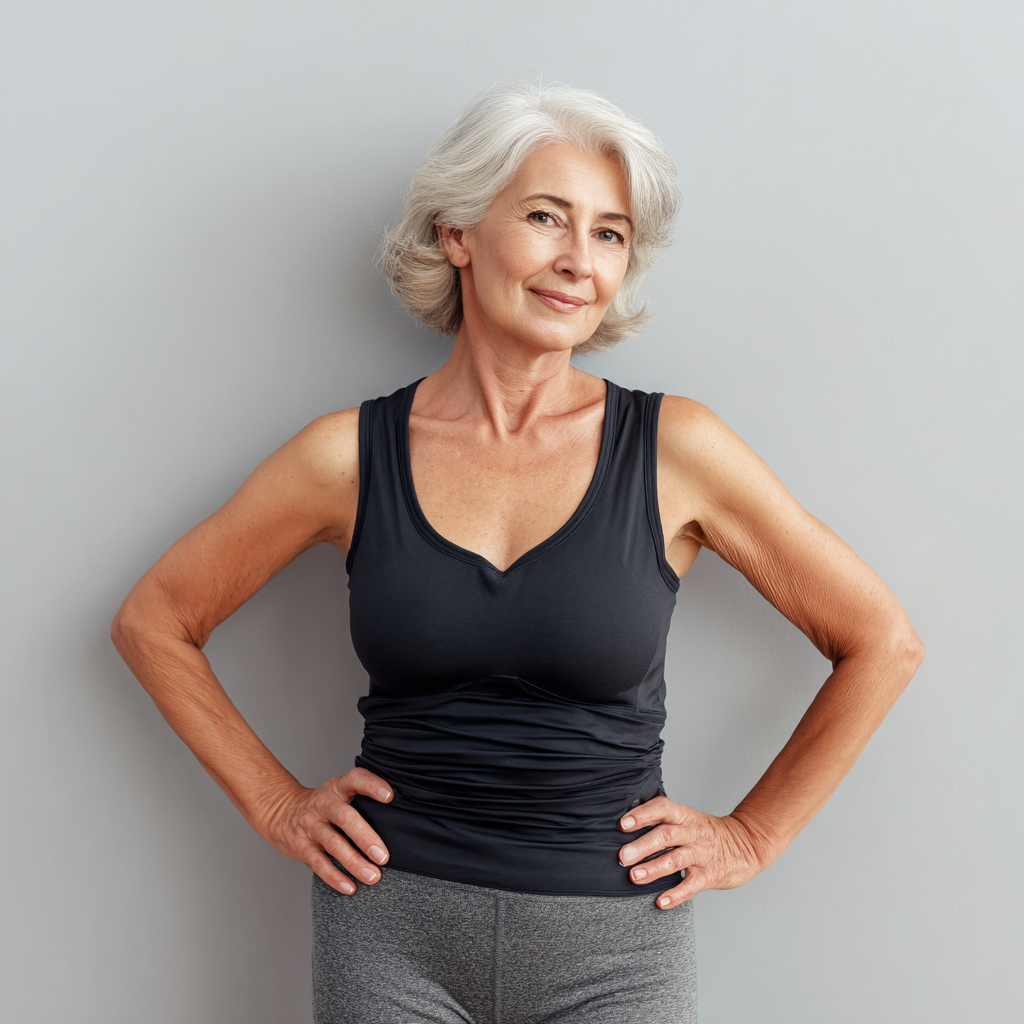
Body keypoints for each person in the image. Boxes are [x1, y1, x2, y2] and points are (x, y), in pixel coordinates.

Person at [111, 83, 925, 1023]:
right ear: (459, 232)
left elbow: (881, 639)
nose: (580, 261)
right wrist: (277, 805)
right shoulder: (345, 457)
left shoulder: (676, 451)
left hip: (617, 947)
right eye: (546, 217)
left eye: (611, 234)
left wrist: (753, 836)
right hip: (390, 933)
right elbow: (155, 621)